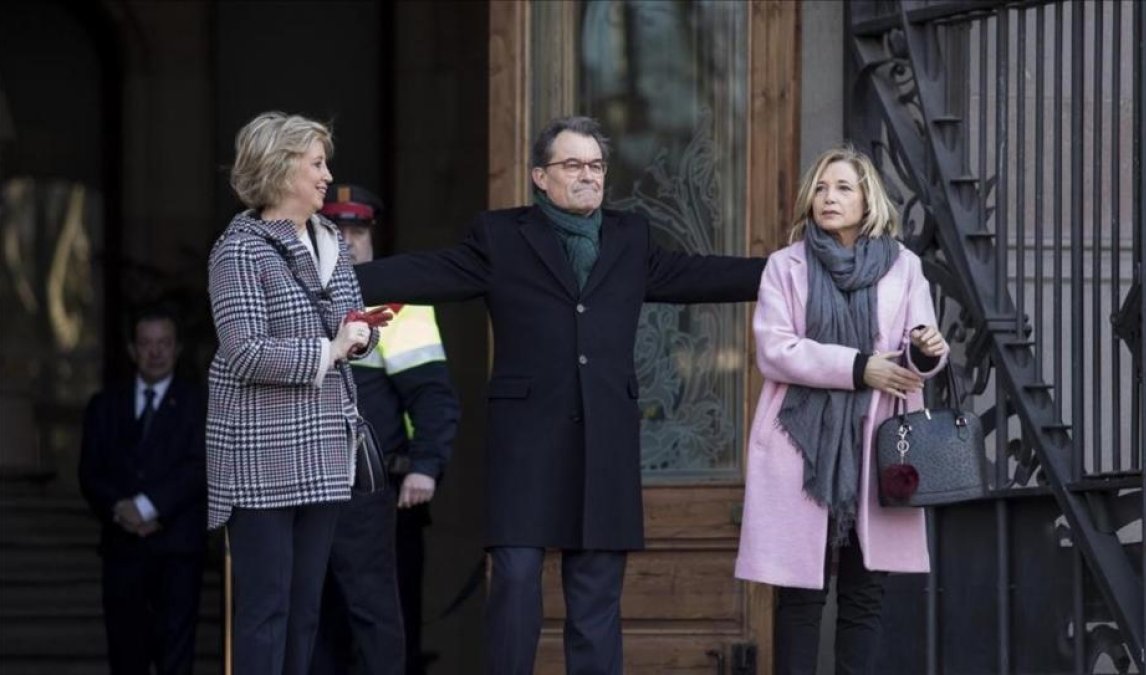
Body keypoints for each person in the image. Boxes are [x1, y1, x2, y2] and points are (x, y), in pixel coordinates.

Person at [354, 115, 766, 674]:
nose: (588, 176)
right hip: (527, 441)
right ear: (540, 177)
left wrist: (792, 271)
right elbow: (430, 272)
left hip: (605, 440)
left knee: (596, 596)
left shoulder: (630, 237)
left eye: (596, 166)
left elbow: (701, 274)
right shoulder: (501, 236)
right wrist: (328, 279)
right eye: (573, 165)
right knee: (517, 584)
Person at [734, 146, 949, 674]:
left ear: (868, 198)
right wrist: (859, 367)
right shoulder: (785, 267)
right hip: (800, 445)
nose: (829, 198)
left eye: (843, 188)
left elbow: (916, 359)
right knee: (800, 597)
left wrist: (927, 351)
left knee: (865, 595)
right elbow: (775, 350)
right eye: (822, 189)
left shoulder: (904, 267)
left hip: (876, 445)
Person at [206, 111, 378, 675]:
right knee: (266, 612)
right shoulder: (239, 250)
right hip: (260, 454)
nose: (327, 175)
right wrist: (328, 350)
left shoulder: (331, 241)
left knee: (305, 611)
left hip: (326, 449)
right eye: (317, 163)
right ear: (281, 170)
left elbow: (349, 324)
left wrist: (360, 339)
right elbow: (246, 350)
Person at [312, 184, 460, 675]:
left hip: (383, 494)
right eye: (338, 231)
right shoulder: (297, 296)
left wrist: (426, 466)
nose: (349, 241)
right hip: (308, 487)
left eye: (359, 231)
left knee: (382, 627)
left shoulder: (399, 305)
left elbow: (433, 395)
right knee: (314, 630)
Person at [78, 305, 207, 675]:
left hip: (177, 553)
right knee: (125, 657)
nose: (155, 352)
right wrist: (122, 509)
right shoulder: (104, 405)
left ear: (177, 348)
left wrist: (149, 507)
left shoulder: (198, 404)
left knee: (175, 659)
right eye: (146, 344)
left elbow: (199, 467)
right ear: (133, 349)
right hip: (123, 553)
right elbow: (90, 472)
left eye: (164, 343)